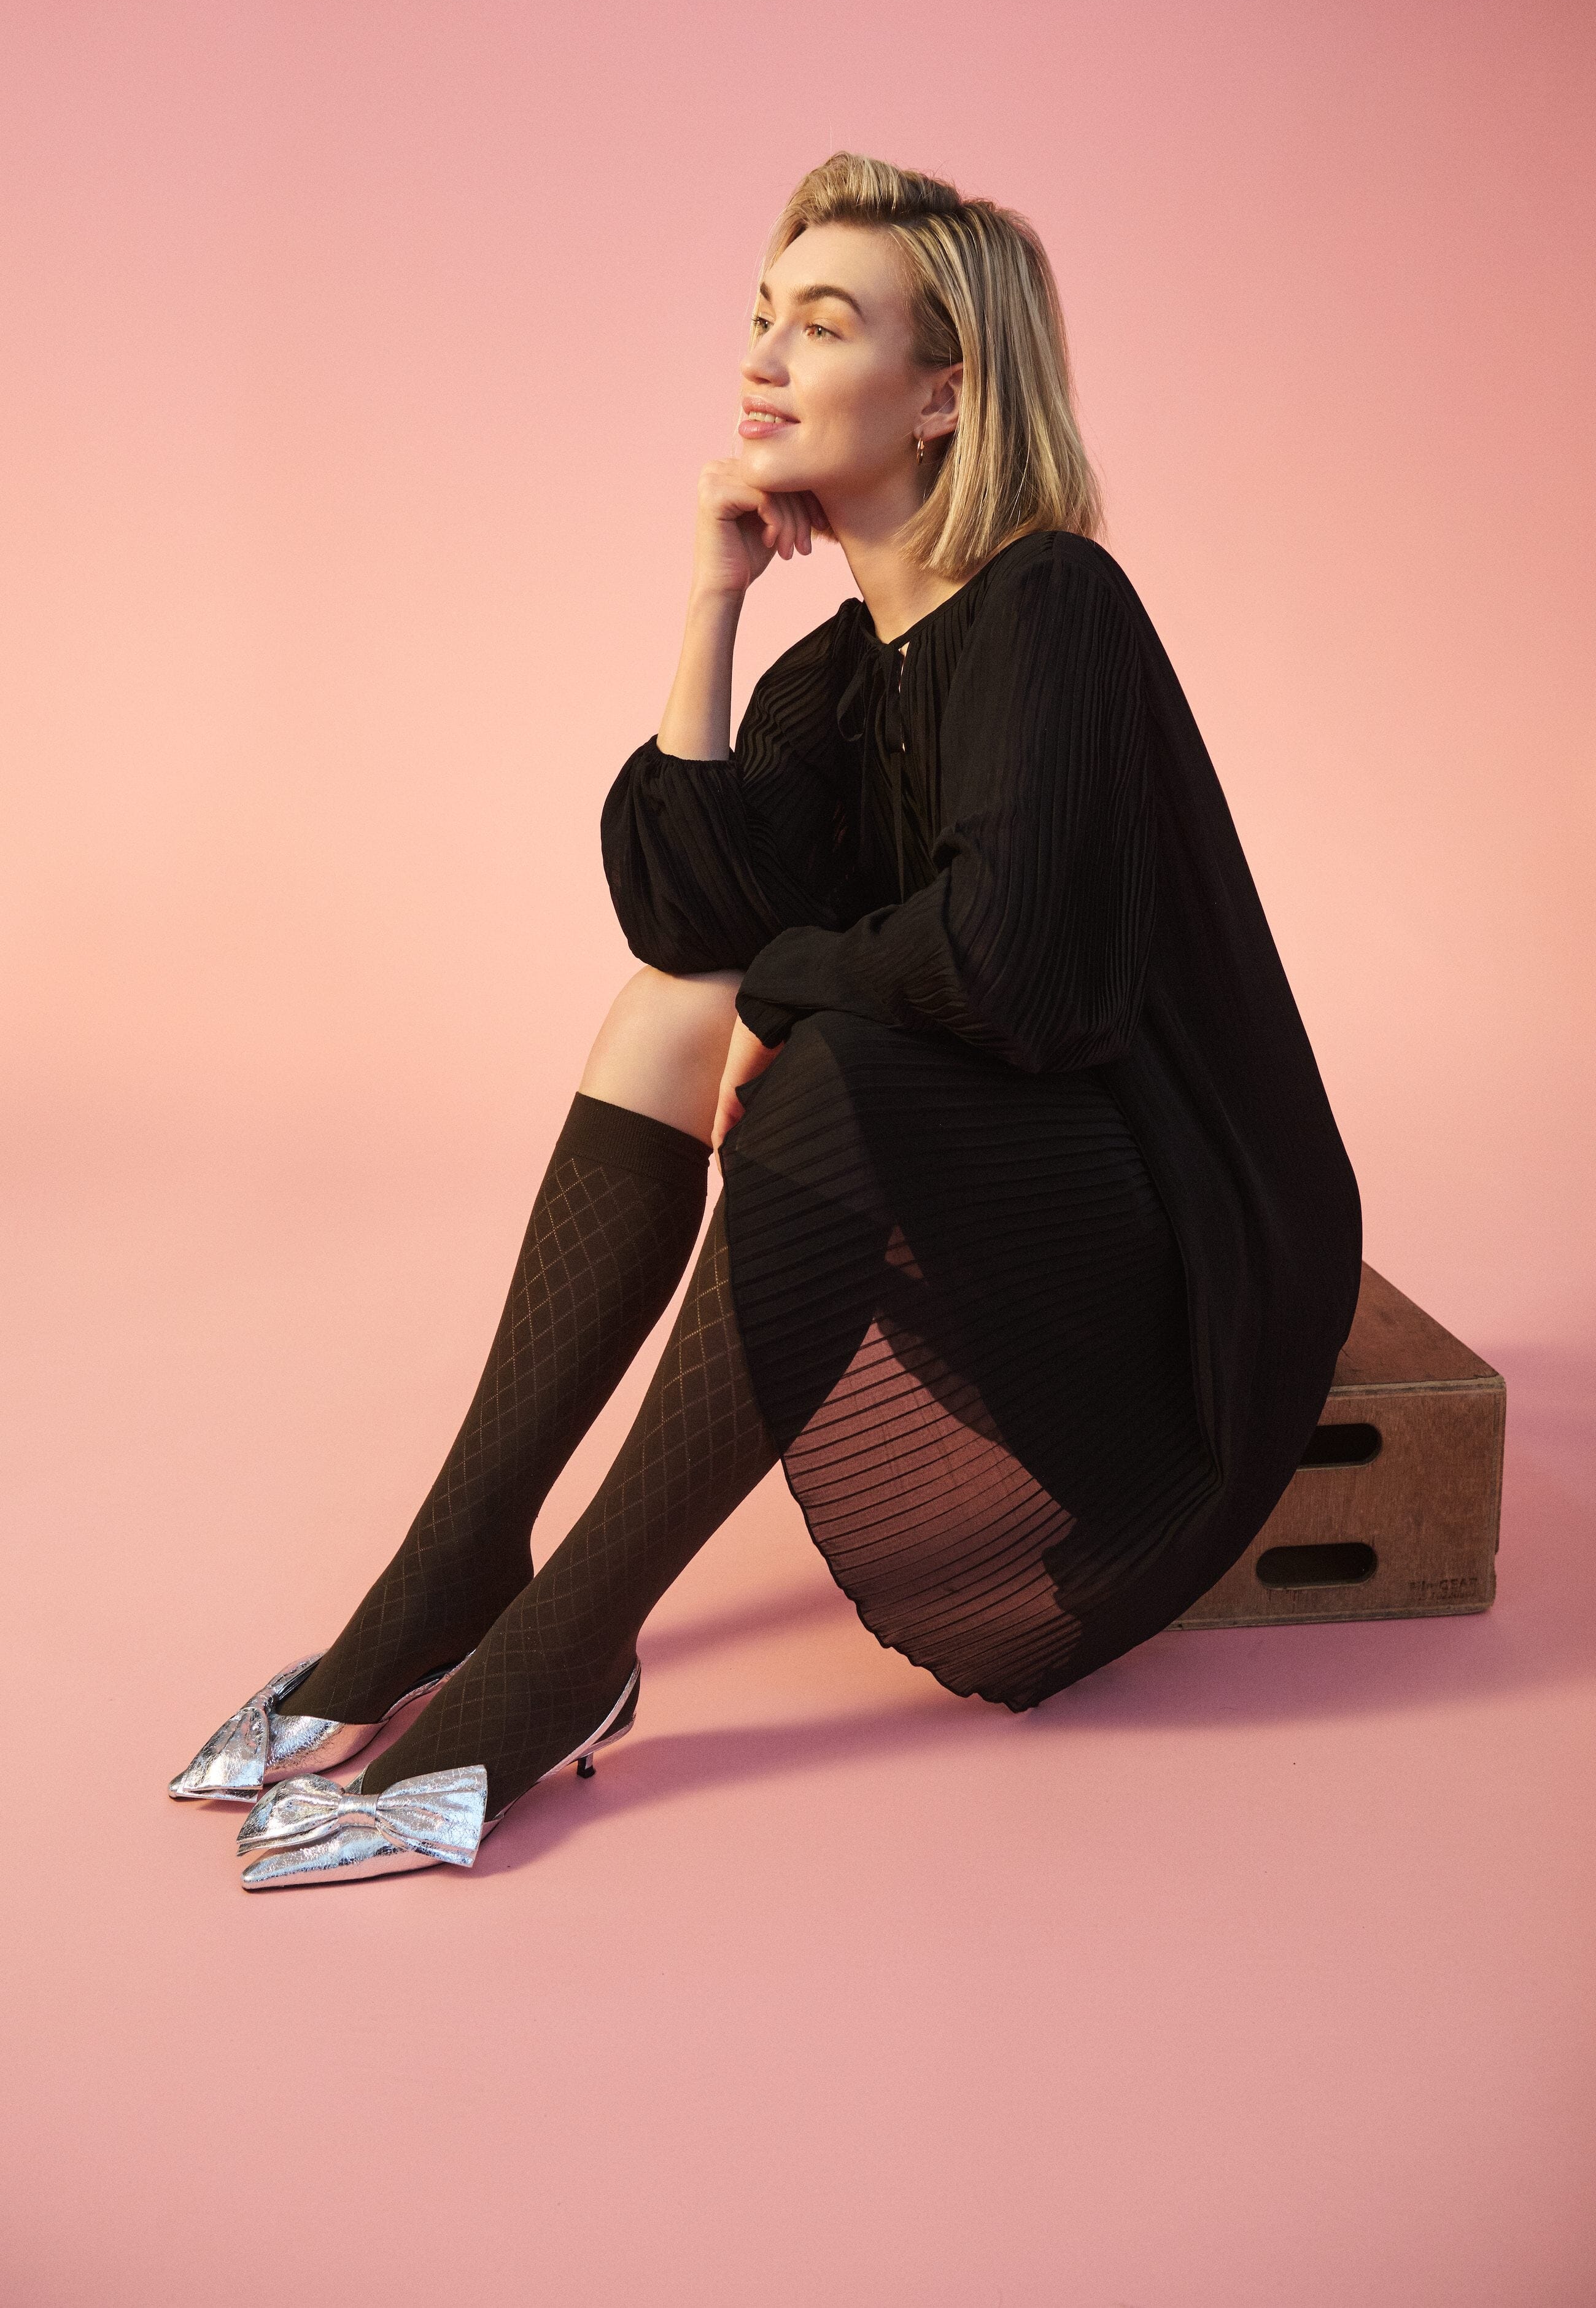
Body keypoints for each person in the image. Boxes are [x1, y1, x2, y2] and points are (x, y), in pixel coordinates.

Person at [171, 151, 1362, 1891]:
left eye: (824, 322)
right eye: (761, 315)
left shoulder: (1054, 605)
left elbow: (1023, 969)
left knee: (836, 1061)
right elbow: (686, 922)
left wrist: (797, 995)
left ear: (943, 394)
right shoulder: (852, 663)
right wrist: (713, 598)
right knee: (675, 1011)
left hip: (1183, 1275)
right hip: (1018, 1207)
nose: (764, 357)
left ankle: (561, 1652)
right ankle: (459, 1560)